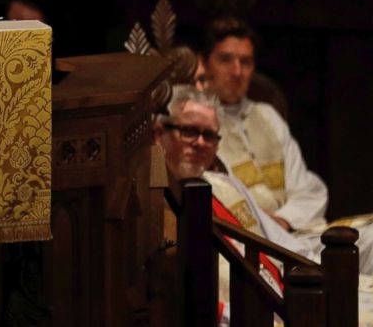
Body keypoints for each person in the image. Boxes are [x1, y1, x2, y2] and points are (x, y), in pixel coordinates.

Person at [155, 86, 373, 324]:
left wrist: (320, 279)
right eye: (188, 131)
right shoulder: (156, 204)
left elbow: (281, 243)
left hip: (280, 290)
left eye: (209, 136)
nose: (199, 143)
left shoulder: (225, 184)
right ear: (159, 134)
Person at [201, 17, 327, 231]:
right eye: (225, 59)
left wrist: (283, 221)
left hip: (292, 231)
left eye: (245, 62)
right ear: (204, 63)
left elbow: (307, 189)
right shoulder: (200, 126)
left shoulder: (267, 116)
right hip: (245, 241)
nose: (237, 71)